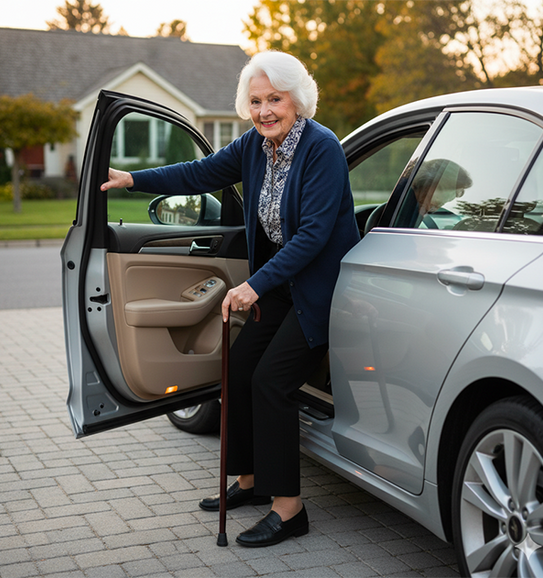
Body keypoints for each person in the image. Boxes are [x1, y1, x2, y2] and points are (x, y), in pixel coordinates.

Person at [100, 51, 359, 547]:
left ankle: (289, 509)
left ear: (297, 100)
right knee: (238, 371)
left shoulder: (321, 149)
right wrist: (133, 180)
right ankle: (251, 482)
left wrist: (252, 285)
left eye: (275, 100)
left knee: (269, 382)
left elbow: (313, 235)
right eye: (257, 100)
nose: (265, 110)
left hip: (320, 290)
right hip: (282, 285)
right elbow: (199, 174)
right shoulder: (254, 146)